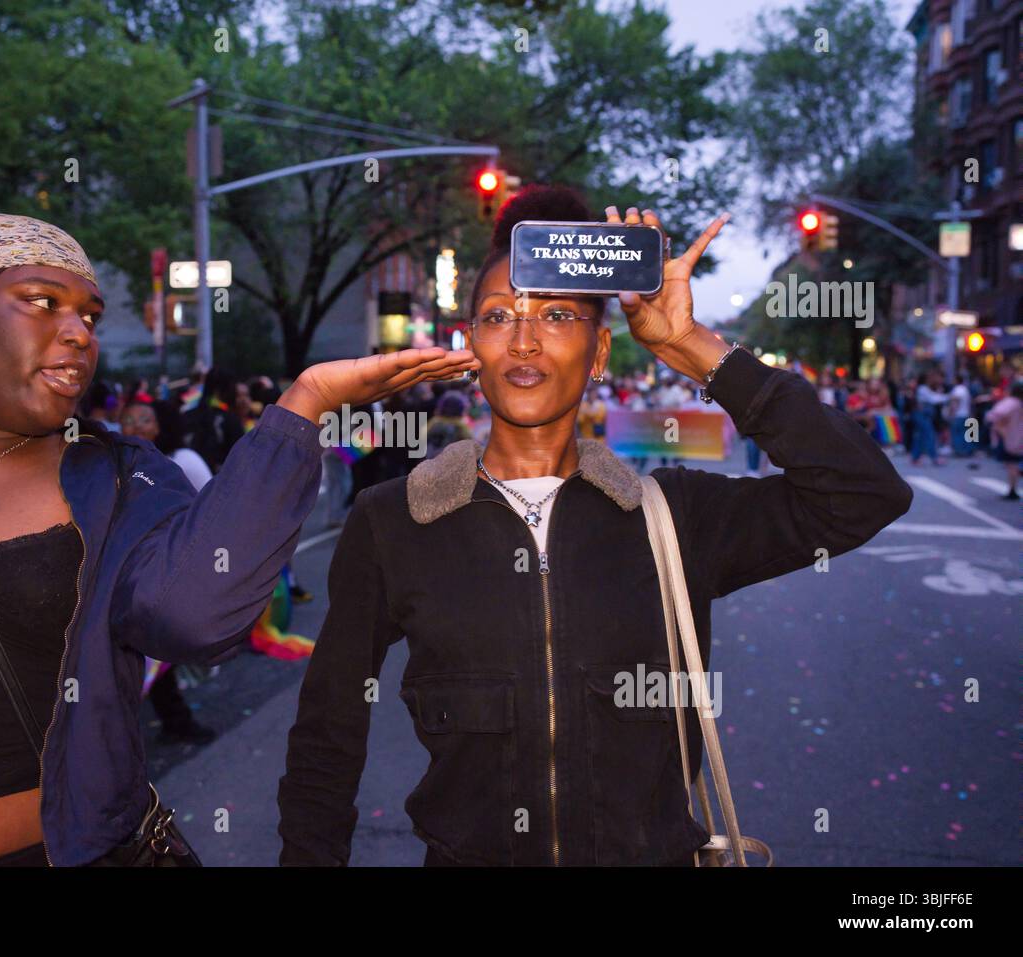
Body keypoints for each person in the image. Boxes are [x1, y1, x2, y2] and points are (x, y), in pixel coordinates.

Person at [0, 212, 477, 868]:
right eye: (43, 303)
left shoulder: (119, 480)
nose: (79, 331)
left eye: (89, 313)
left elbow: (193, 617)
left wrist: (304, 405)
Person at [276, 185, 912, 867]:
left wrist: (695, 347)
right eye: (498, 316)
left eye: (556, 314)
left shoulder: (675, 517)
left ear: (601, 351)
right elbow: (327, 734)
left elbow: (864, 492)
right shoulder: (394, 520)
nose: (524, 339)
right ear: (470, 348)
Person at [119, 398, 217, 744]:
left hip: (169, 572)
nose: (135, 427)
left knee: (158, 650)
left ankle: (175, 721)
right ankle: (170, 721)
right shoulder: (116, 464)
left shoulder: (180, 462)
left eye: (143, 420)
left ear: (158, 426)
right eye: (127, 420)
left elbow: (213, 504)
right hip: (127, 576)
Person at [984, 380, 1023, 500]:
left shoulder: (1011, 403)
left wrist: (998, 426)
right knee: (1013, 463)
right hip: (1017, 435)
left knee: (1011, 463)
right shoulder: (1019, 403)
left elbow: (994, 415)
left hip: (1008, 436)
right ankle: (1013, 488)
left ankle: (1012, 490)